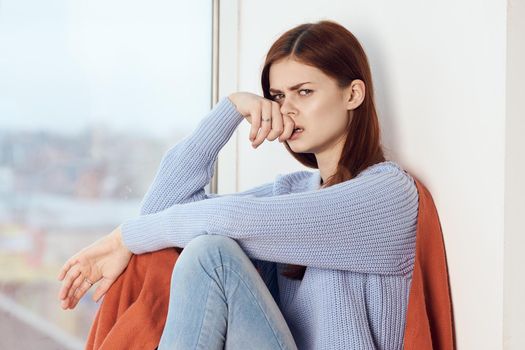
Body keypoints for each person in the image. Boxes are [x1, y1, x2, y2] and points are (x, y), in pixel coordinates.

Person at [58, 19, 419, 350]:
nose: (287, 108)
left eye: (304, 92)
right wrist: (230, 109)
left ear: (353, 94)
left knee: (211, 256)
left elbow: (226, 220)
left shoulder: (386, 194)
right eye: (278, 96)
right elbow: (162, 212)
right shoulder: (293, 191)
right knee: (196, 247)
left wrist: (124, 237)